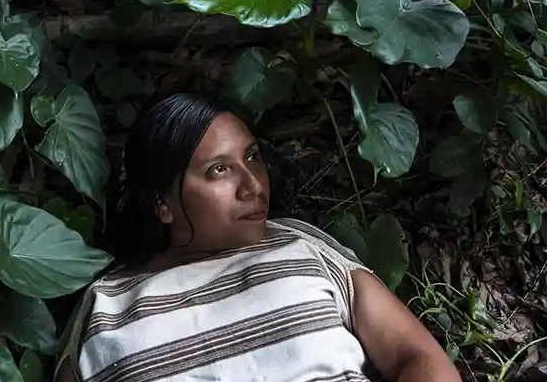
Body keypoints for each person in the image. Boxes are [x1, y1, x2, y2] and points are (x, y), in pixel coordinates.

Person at [54, 93, 460, 382]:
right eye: (219, 170)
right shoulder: (106, 306)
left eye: (251, 158)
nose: (254, 185)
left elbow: (420, 357)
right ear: (162, 203)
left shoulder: (302, 245)